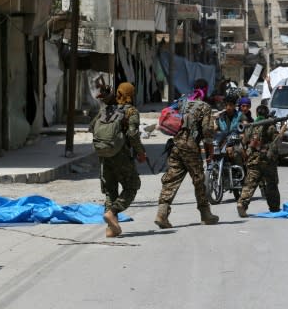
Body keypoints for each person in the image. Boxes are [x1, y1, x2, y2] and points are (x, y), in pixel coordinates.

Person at [155, 86, 219, 228]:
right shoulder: (204, 107)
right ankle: (205, 214)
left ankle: (162, 213)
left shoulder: (182, 102)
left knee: (171, 179)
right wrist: (210, 152)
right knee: (199, 180)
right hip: (190, 147)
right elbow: (207, 132)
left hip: (175, 145)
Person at [90, 82, 147, 238]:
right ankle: (113, 212)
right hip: (120, 155)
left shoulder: (106, 109)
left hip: (104, 154)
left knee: (110, 190)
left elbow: (91, 127)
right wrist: (140, 153)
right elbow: (133, 134)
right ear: (131, 94)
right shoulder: (131, 111)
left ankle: (111, 228)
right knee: (132, 185)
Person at [236, 104, 286, 216]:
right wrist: (282, 131)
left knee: (250, 184)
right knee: (271, 184)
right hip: (268, 161)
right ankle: (274, 208)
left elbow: (244, 142)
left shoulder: (251, 126)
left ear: (257, 114)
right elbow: (276, 143)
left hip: (253, 159)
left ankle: (242, 204)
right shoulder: (271, 127)